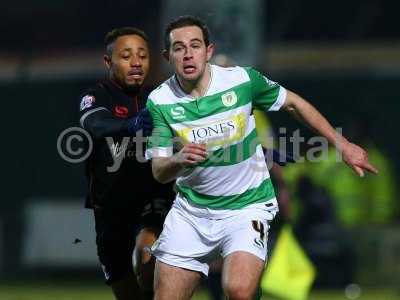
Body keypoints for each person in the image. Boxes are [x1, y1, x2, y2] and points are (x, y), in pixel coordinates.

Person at [145, 15, 378, 300]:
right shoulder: (160, 101)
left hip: (246, 206)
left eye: (195, 45)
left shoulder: (242, 81)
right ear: (168, 56)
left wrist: (342, 144)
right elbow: (159, 170)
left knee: (239, 291)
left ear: (209, 51)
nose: (188, 53)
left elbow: (293, 103)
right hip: (191, 213)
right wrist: (179, 160)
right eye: (179, 48)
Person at [78, 27, 174, 300]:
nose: (136, 63)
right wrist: (129, 125)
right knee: (125, 288)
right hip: (110, 206)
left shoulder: (160, 98)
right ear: (108, 62)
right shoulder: (96, 96)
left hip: (152, 199)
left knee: (147, 256)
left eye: (143, 56)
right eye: (127, 56)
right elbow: (95, 124)